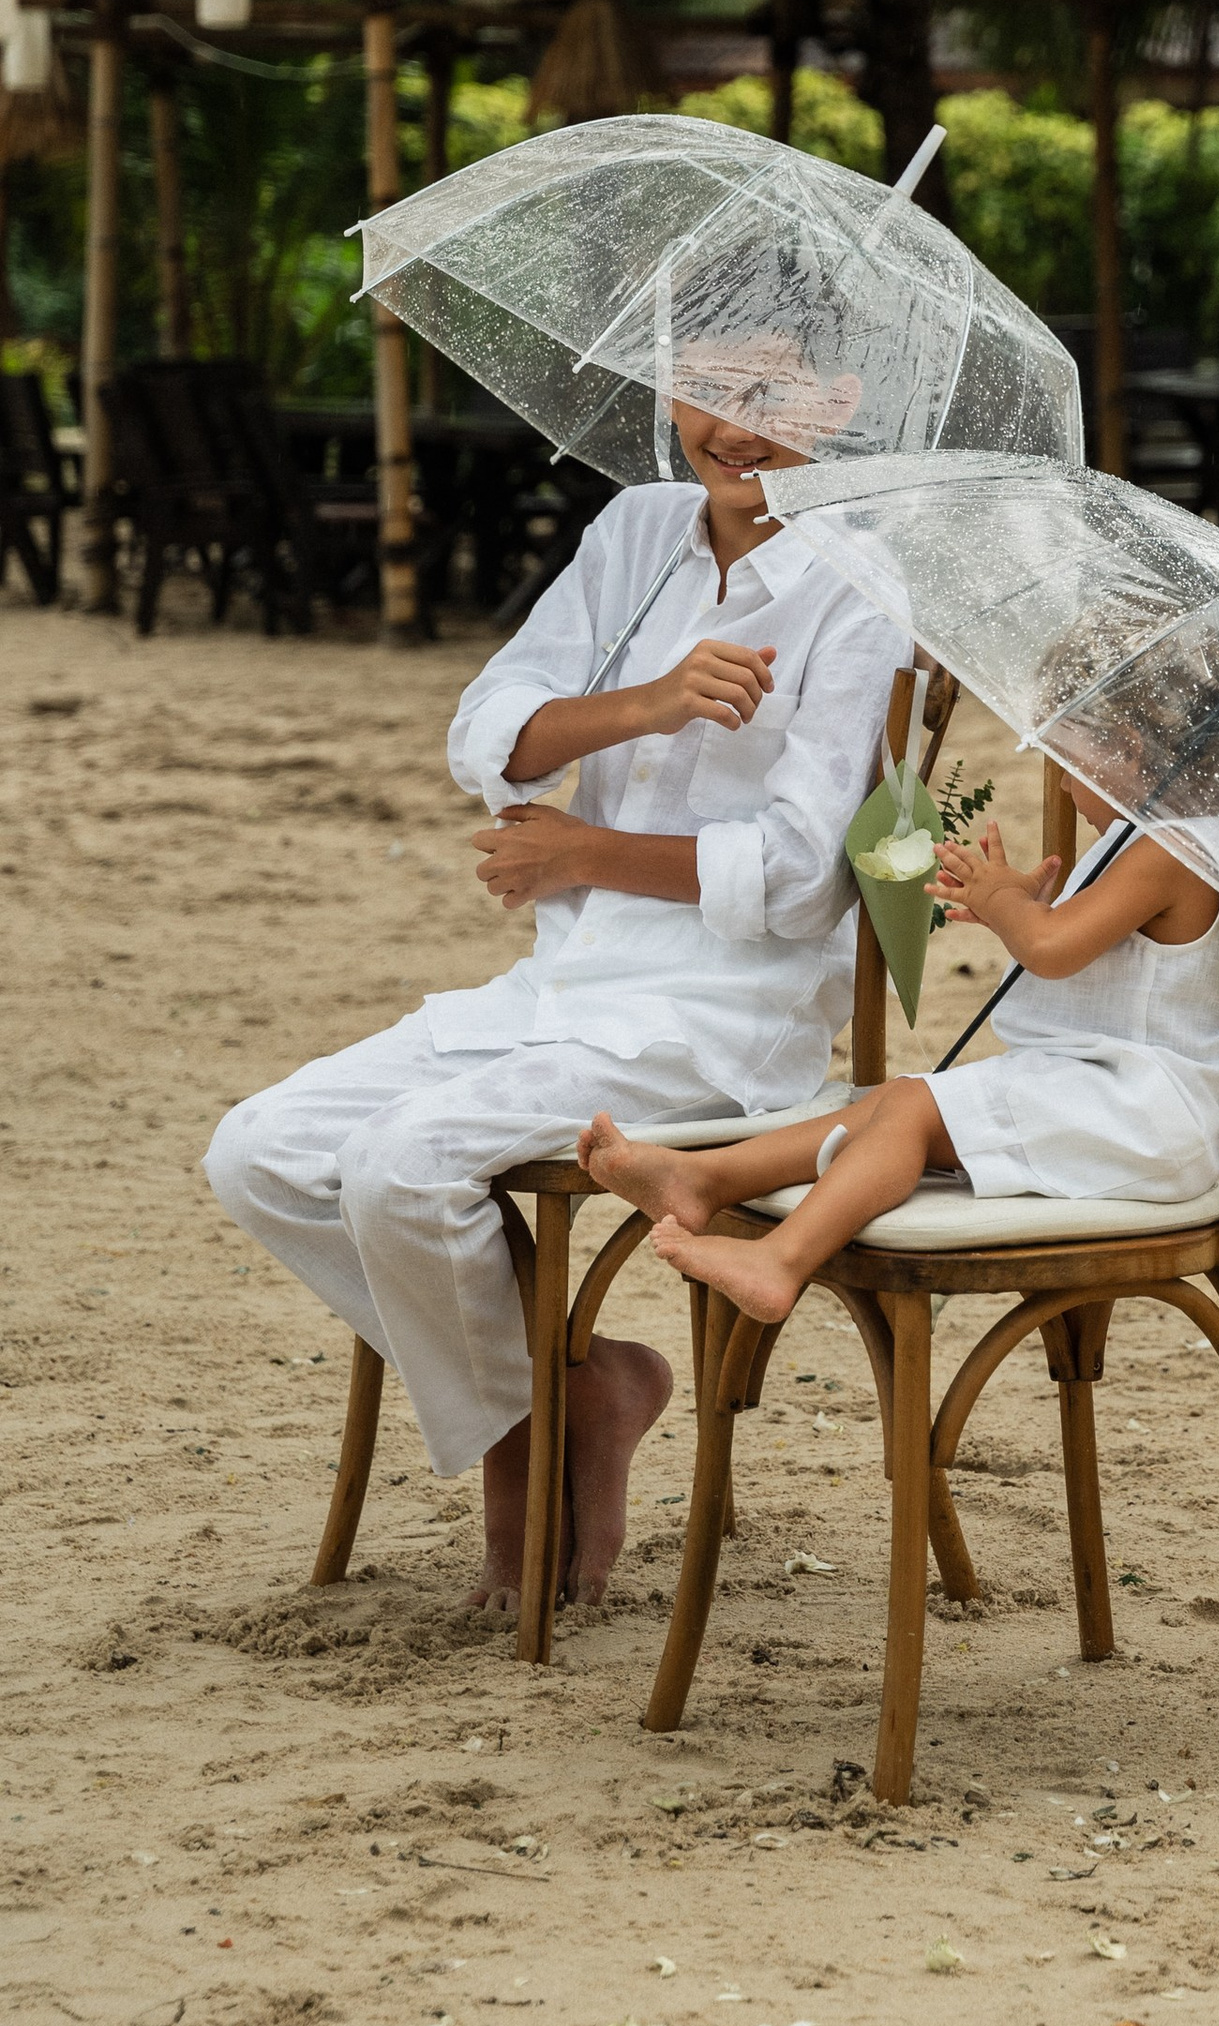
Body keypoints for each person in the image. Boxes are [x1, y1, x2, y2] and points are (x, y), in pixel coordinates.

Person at [203, 389, 907, 1609]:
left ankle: (518, 1460)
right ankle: (582, 1388)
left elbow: (800, 879)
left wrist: (584, 855)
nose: (737, 428)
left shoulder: (868, 591)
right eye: (714, 388)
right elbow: (486, 729)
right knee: (258, 1151)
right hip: (559, 989)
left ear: (841, 406)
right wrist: (648, 700)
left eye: (777, 397)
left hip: (720, 1021)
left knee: (400, 1168)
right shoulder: (636, 529)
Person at [579, 766, 1219, 1325]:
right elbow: (1109, 961)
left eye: (1070, 762)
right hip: (1119, 1098)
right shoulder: (1161, 843)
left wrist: (1009, 908)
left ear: (1126, 751)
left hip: (1143, 1114)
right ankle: (705, 1179)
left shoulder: (1172, 851)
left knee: (915, 1111)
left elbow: (1049, 949)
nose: (1067, 788)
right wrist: (1018, 904)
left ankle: (780, 1262)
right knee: (902, 1100)